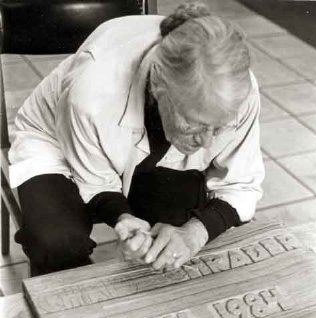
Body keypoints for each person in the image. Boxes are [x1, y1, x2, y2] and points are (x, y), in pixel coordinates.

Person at [9, 2, 264, 276]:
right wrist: (122, 216)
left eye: (219, 128)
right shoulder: (93, 92)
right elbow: (95, 180)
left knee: (171, 240)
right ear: (158, 89)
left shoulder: (235, 89)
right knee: (57, 243)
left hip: (139, 142)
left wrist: (193, 234)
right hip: (56, 139)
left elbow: (240, 184)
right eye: (195, 126)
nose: (206, 143)